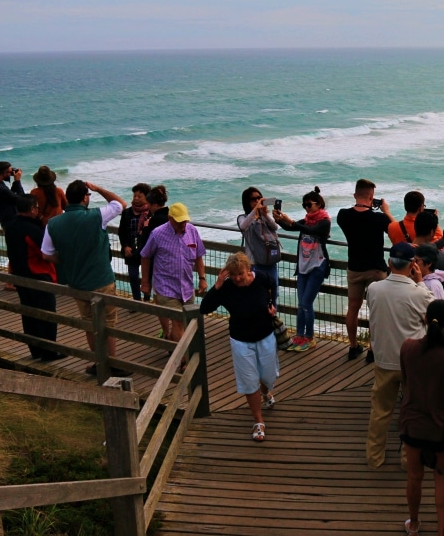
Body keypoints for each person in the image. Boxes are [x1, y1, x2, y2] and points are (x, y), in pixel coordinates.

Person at [41, 180, 129, 377]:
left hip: (77, 282)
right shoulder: (96, 217)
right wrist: (99, 188)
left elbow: (46, 254)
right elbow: (121, 204)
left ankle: (98, 362)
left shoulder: (53, 223)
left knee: (90, 324)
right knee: (109, 323)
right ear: (84, 198)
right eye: (88, 194)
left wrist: (65, 260)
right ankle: (111, 364)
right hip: (101, 279)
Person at [365, 242, 434, 469]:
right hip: (412, 361)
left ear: (389, 262)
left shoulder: (374, 288)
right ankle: (408, 460)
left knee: (380, 411)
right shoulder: (419, 293)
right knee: (412, 411)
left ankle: (374, 458)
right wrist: (420, 281)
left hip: (384, 359)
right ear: (413, 264)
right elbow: (435, 312)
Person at [399, 300, 444, 536]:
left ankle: (414, 524)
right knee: (442, 477)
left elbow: (406, 380)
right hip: (442, 426)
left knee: (414, 476)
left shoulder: (407, 347)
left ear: (425, 320)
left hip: (413, 423)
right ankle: (441, 532)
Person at [199, 252, 279, 442]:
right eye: (233, 275)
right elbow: (204, 308)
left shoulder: (261, 278)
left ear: (248, 270)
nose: (237, 278)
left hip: (265, 335)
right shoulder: (226, 288)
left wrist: (272, 304)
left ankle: (265, 391)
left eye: (240, 274)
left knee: (268, 375)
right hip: (240, 340)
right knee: (249, 380)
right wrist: (217, 286)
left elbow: (272, 285)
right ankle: (258, 422)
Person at [337, 178, 395, 360]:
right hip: (376, 269)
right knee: (375, 310)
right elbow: (397, 232)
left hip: (354, 268)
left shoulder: (343, 215)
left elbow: (356, 220)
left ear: (355, 195)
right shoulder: (379, 218)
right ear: (372, 197)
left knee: (353, 308)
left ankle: (353, 347)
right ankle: (372, 349)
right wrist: (386, 211)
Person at [4, 195, 63, 361]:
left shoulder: (11, 225)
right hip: (38, 275)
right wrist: (62, 259)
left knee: (29, 314)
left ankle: (36, 350)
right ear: (31, 209)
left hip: (20, 275)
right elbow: (44, 253)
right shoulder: (32, 229)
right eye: (36, 207)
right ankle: (50, 351)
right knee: (47, 315)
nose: (38, 210)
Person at [272, 186, 331, 352]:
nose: (306, 208)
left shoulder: (324, 222)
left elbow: (310, 230)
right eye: (304, 205)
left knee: (306, 303)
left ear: (319, 204)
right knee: (301, 305)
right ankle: (299, 336)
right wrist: (279, 219)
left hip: (318, 265)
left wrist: (291, 221)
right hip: (304, 266)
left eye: (309, 205)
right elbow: (292, 227)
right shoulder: (306, 220)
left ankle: (310, 337)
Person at [139, 202, 207, 344]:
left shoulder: (192, 230)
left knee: (185, 322)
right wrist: (145, 282)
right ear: (170, 218)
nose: (183, 224)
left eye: (185, 220)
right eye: (179, 221)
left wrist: (202, 278)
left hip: (187, 287)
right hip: (166, 287)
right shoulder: (157, 234)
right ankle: (184, 361)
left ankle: (172, 342)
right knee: (178, 322)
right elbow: (145, 256)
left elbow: (198, 256)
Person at [237, 187, 282, 304]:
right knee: (258, 296)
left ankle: (272, 320)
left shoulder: (263, 217)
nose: (257, 201)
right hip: (254, 263)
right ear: (247, 202)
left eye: (259, 198)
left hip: (269, 262)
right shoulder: (243, 217)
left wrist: (265, 215)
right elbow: (243, 226)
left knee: (273, 294)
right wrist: (255, 211)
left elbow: (275, 227)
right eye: (253, 199)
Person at [138, 185, 171, 338]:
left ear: (154, 204)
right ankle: (180, 330)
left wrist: (144, 228)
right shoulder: (172, 217)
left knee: (159, 300)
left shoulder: (155, 221)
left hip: (159, 266)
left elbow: (145, 248)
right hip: (174, 265)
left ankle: (167, 331)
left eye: (149, 205)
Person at [117, 183, 151, 302]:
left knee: (148, 276)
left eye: (139, 196)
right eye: (134, 196)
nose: (136, 198)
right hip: (131, 250)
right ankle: (137, 301)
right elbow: (121, 232)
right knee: (133, 276)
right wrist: (125, 246)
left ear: (147, 197)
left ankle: (147, 299)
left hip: (147, 250)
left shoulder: (151, 213)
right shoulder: (127, 212)